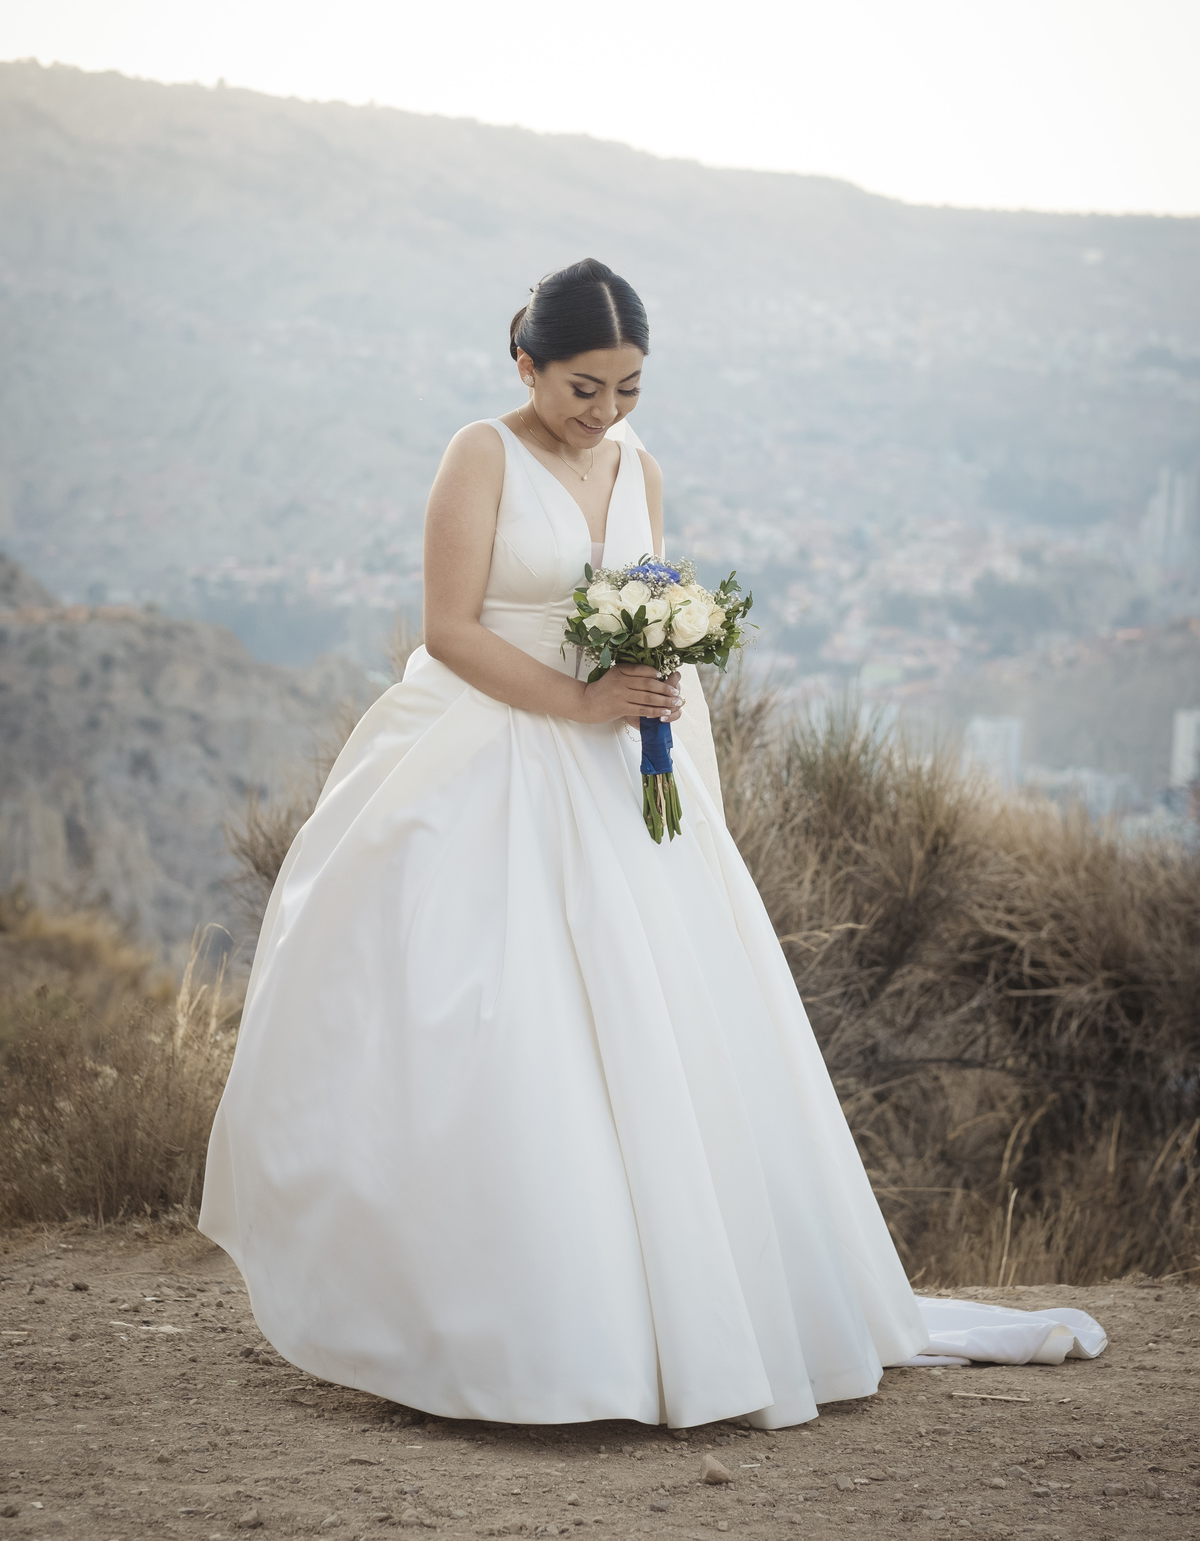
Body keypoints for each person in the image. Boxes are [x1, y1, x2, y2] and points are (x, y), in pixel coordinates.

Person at [199, 259, 1093, 1431]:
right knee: (498, 1024)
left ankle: (678, 1308)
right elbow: (450, 630)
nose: (605, 412)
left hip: (622, 767)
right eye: (583, 387)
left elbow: (638, 591)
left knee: (657, 1019)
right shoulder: (481, 453)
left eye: (627, 388)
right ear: (525, 363)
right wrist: (577, 703)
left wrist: (652, 673)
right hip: (493, 753)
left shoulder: (639, 469)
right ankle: (494, 1326)